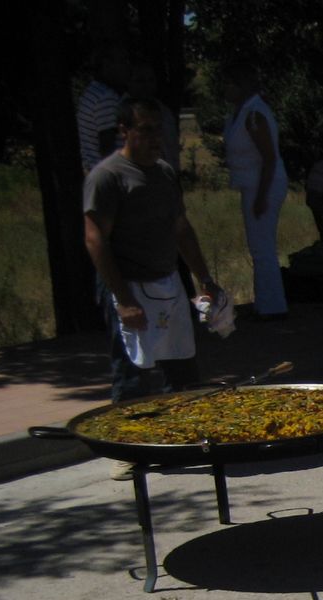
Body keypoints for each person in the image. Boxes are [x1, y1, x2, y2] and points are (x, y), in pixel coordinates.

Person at [83, 97, 222, 454]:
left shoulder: (164, 173)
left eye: (158, 130)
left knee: (182, 363)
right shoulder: (108, 177)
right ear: (125, 131)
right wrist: (123, 299)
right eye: (145, 130)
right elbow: (95, 238)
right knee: (133, 368)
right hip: (127, 283)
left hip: (166, 280)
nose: (154, 138)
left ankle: (184, 437)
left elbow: (181, 229)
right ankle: (125, 447)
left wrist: (205, 279)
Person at [219, 62, 288, 318]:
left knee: (262, 246)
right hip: (252, 185)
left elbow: (269, 158)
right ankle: (265, 302)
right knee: (258, 245)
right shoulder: (241, 113)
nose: (225, 89)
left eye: (229, 84)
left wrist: (261, 196)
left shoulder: (254, 114)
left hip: (263, 185)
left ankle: (272, 306)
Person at [78, 48, 128, 172]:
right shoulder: (107, 98)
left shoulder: (92, 92)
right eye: (122, 61)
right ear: (107, 64)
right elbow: (107, 146)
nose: (127, 67)